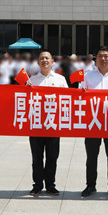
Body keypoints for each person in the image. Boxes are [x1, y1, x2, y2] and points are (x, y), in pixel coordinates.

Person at [80, 46, 108, 199]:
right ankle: (90, 185)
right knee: (91, 156)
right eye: (100, 56)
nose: (103, 59)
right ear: (96, 59)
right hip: (92, 122)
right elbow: (80, 95)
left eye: (106, 56)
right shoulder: (87, 76)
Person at [27, 50, 68, 196]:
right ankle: (37, 184)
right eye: (42, 58)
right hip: (36, 125)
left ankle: (50, 185)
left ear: (52, 62)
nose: (44, 60)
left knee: (52, 157)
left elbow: (67, 101)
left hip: (53, 125)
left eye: (47, 58)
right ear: (38, 62)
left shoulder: (60, 80)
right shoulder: (32, 80)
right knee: (37, 158)